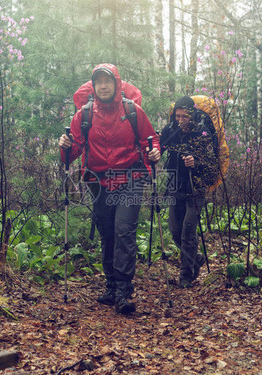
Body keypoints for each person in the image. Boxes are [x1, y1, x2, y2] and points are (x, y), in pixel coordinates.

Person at [59, 63, 160, 314]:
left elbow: (151, 139)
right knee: (107, 233)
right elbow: (73, 151)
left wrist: (154, 152)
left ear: (116, 84)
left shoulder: (132, 110)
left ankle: (124, 291)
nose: (103, 86)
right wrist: (64, 146)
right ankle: (112, 285)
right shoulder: (84, 115)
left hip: (129, 178)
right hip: (98, 182)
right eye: (98, 81)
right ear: (93, 87)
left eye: (107, 81)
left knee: (123, 231)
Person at [160, 96, 216, 288]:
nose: (181, 120)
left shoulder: (203, 132)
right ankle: (196, 257)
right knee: (175, 231)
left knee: (187, 232)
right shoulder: (170, 130)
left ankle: (185, 276)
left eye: (185, 116)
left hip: (196, 187)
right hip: (175, 185)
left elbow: (212, 164)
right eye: (178, 116)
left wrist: (196, 162)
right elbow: (159, 148)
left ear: (192, 116)